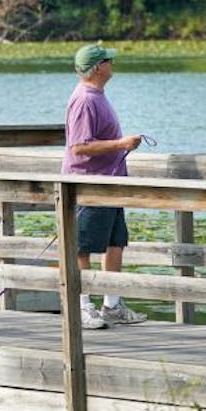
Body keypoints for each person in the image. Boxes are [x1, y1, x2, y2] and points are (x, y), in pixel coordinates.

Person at [62, 42, 146, 328]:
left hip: (110, 183)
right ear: (98, 67)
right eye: (109, 60)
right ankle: (83, 307)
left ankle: (112, 305)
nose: (113, 63)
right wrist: (121, 144)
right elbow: (79, 148)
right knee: (81, 247)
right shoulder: (85, 99)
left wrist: (120, 148)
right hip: (89, 186)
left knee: (115, 242)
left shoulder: (97, 94)